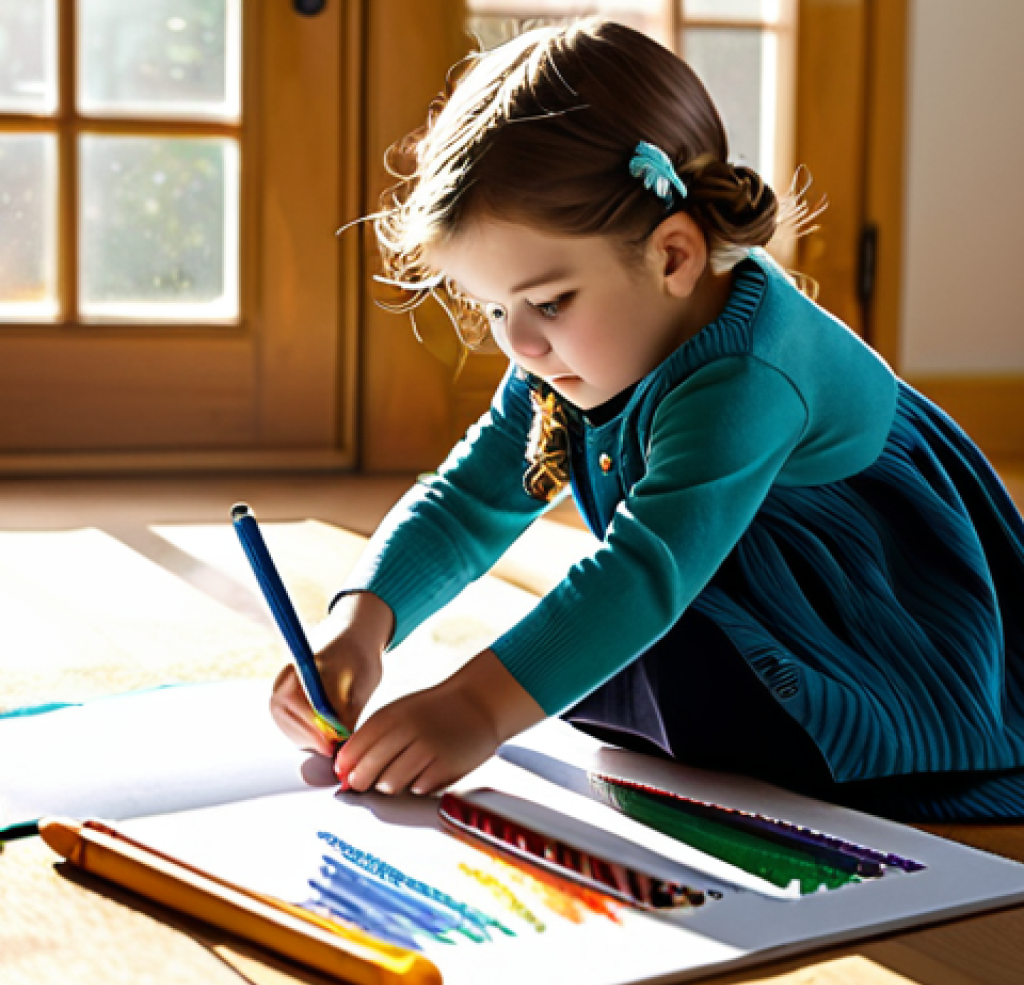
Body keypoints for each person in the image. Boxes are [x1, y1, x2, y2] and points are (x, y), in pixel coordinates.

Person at [272, 19, 1024, 822]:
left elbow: (643, 572)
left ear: (673, 256)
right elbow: (467, 501)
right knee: (614, 661)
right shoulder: (575, 344)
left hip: (877, 616)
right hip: (721, 575)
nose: (519, 343)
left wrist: (475, 707)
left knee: (658, 654)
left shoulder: (747, 376)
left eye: (547, 302)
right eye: (493, 308)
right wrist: (358, 625)